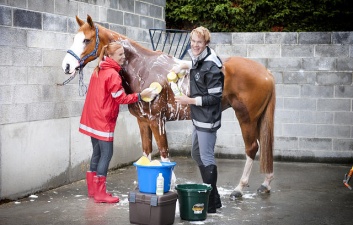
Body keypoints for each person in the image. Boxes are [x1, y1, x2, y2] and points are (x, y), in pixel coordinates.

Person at [79, 42, 157, 203]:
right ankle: (100, 194)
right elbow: (121, 98)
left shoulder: (99, 69)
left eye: (123, 53)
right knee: (106, 155)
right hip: (103, 120)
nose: (123, 57)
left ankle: (93, 190)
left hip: (92, 118)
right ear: (110, 56)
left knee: (97, 153)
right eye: (120, 54)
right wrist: (141, 95)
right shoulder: (113, 75)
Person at [173, 26, 224, 213]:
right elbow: (193, 67)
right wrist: (182, 67)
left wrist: (190, 100)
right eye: (193, 41)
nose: (195, 45)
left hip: (207, 120)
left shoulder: (211, 67)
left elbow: (215, 98)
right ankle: (215, 196)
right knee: (196, 154)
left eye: (199, 42)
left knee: (206, 157)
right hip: (198, 118)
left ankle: (210, 204)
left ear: (206, 44)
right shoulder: (198, 59)